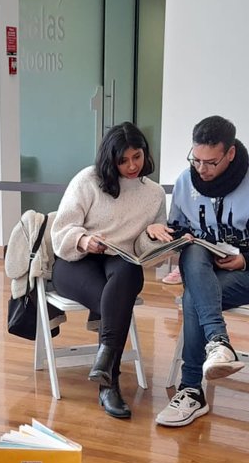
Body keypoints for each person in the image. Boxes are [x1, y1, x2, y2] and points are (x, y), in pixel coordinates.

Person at [155, 115, 249, 427]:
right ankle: (218, 343)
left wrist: (245, 259)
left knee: (194, 298)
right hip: (202, 270)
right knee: (193, 252)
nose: (201, 169)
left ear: (230, 153)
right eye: (196, 159)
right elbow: (178, 229)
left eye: (210, 162)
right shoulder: (185, 180)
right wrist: (167, 234)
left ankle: (191, 389)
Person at [51, 122, 167, 418]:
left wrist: (151, 235)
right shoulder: (87, 181)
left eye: (137, 156)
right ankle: (109, 382)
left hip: (120, 261)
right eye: (123, 160)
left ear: (145, 152)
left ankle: (105, 365)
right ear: (110, 159)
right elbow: (60, 232)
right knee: (117, 300)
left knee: (129, 272)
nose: (132, 166)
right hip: (76, 261)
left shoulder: (154, 194)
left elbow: (145, 254)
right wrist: (84, 240)